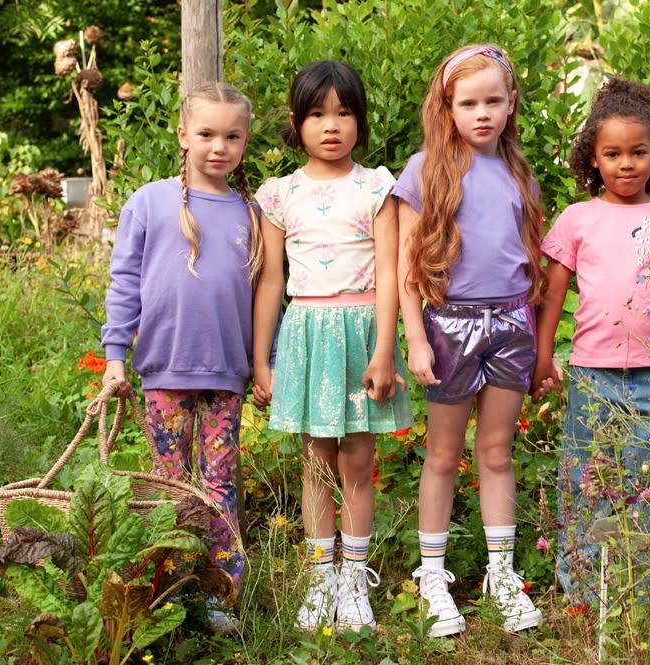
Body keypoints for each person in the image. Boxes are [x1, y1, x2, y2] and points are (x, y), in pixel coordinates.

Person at [530, 77, 650, 604]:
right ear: (593, 158)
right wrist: (543, 359)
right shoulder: (578, 219)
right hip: (592, 373)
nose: (626, 164)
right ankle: (582, 588)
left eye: (638, 152)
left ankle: (645, 588)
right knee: (586, 478)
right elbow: (552, 296)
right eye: (613, 154)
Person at [251, 60, 412, 633]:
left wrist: (384, 350)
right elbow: (271, 280)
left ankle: (354, 579)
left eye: (344, 113)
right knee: (316, 461)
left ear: (359, 122)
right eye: (318, 114)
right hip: (306, 335)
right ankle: (321, 578)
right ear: (298, 122)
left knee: (358, 459)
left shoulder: (376, 187)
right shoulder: (280, 194)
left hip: (363, 333)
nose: (331, 125)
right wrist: (261, 358)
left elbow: (391, 273)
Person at [101, 81, 262, 635]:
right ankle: (164, 590)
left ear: (245, 141)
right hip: (164, 371)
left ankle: (219, 595)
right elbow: (124, 281)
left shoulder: (251, 213)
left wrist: (262, 362)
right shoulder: (149, 201)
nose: (219, 146)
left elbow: (265, 297)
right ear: (183, 136)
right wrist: (115, 355)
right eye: (207, 134)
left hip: (226, 373)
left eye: (232, 136)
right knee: (167, 487)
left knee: (219, 485)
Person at [394, 44, 544, 637]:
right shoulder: (425, 169)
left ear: (511, 104)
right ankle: (432, 577)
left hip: (512, 324)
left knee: (497, 451)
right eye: (468, 103)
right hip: (449, 326)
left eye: (493, 101)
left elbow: (528, 260)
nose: (482, 113)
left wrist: (540, 342)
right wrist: (416, 337)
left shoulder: (520, 173)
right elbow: (407, 266)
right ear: (447, 107)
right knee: (442, 453)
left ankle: (501, 574)